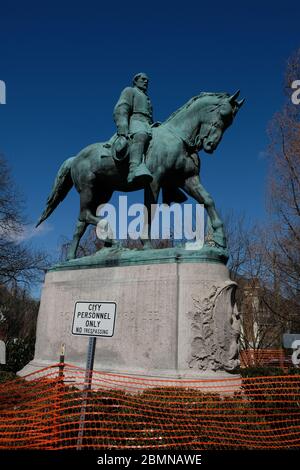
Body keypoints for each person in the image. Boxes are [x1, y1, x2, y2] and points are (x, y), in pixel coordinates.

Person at [113, 73, 154, 184]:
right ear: (135, 81)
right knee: (141, 135)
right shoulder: (130, 90)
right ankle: (134, 169)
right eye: (143, 79)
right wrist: (122, 124)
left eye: (147, 80)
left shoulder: (147, 98)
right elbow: (122, 107)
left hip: (148, 124)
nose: (146, 82)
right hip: (135, 121)